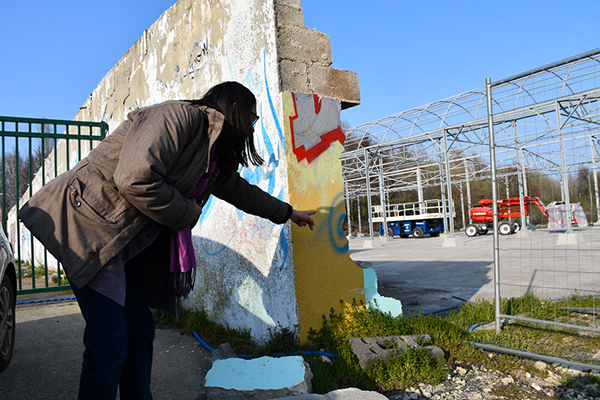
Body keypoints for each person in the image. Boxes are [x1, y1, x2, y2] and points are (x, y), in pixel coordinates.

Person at [17, 81, 315, 400]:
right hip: (90, 227)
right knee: (109, 342)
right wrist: (188, 212)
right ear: (234, 109)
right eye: (251, 118)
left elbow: (239, 190)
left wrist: (287, 212)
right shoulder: (179, 118)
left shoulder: (210, 154)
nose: (251, 128)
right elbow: (134, 178)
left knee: (139, 332)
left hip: (121, 244)